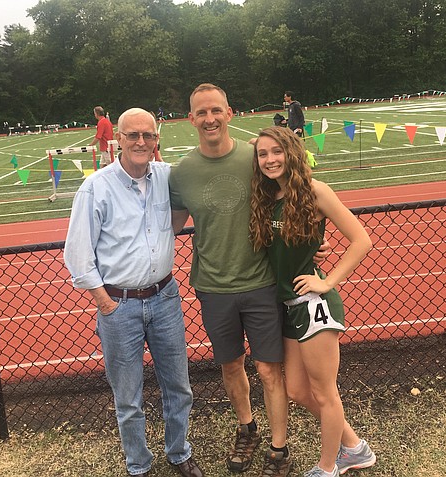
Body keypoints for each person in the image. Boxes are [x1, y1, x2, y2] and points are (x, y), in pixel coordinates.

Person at [64, 108, 204, 477]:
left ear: (157, 139)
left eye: (148, 135)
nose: (141, 142)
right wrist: (105, 303)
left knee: (179, 385)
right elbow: (78, 254)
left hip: (165, 297)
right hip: (119, 305)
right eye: (132, 135)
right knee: (128, 397)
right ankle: (138, 464)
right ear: (118, 140)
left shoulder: (167, 177)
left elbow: (209, 187)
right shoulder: (96, 186)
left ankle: (179, 453)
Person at [169, 83, 293, 477]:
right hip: (213, 287)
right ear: (191, 119)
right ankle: (247, 428)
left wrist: (313, 247)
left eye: (216, 111)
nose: (210, 119)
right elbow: (165, 229)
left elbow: (295, 198)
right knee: (230, 365)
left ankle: (279, 449)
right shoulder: (181, 173)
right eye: (201, 112)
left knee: (271, 370)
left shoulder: (255, 157)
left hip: (261, 283)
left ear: (229, 113)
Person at [249, 126, 376, 477]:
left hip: (313, 305)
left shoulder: (315, 191)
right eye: (263, 154)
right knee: (298, 390)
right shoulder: (270, 197)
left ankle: (328, 467)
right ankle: (355, 447)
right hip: (288, 306)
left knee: (324, 393)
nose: (270, 159)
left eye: (277, 151)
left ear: (292, 153)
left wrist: (328, 280)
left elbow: (361, 240)